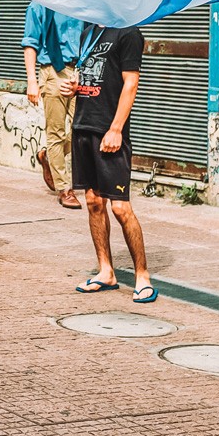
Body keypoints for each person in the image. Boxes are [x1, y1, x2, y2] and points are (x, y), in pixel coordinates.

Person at [60, 22, 156, 304]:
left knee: (120, 207)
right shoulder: (88, 31)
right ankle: (106, 271)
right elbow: (96, 78)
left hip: (109, 130)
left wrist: (116, 129)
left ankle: (143, 277)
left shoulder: (128, 32)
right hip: (83, 126)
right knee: (93, 201)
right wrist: (75, 87)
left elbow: (130, 82)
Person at [22, 3, 83, 209]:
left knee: (82, 130)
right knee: (55, 132)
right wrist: (32, 81)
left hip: (80, 73)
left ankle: (49, 155)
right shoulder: (39, 5)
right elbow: (30, 43)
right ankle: (64, 189)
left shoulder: (82, 2)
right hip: (53, 72)